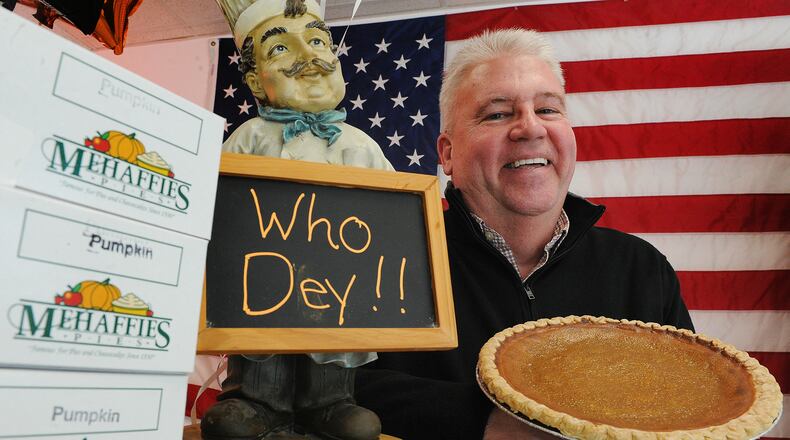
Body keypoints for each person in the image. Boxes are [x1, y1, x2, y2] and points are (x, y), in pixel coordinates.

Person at [354, 28, 694, 439]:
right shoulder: (381, 261)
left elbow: (685, 411)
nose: (530, 129)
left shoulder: (642, 269)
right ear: (447, 153)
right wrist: (487, 420)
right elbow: (330, 397)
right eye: (497, 114)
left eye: (548, 110)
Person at [202, 1, 391, 439]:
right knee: (261, 343)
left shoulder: (359, 144)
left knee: (331, 351)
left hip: (337, 283)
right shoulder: (248, 137)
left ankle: (328, 405)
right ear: (254, 80)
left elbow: (392, 213)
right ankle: (255, 402)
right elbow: (218, 203)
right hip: (262, 277)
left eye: (319, 41)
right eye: (282, 49)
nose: (309, 55)